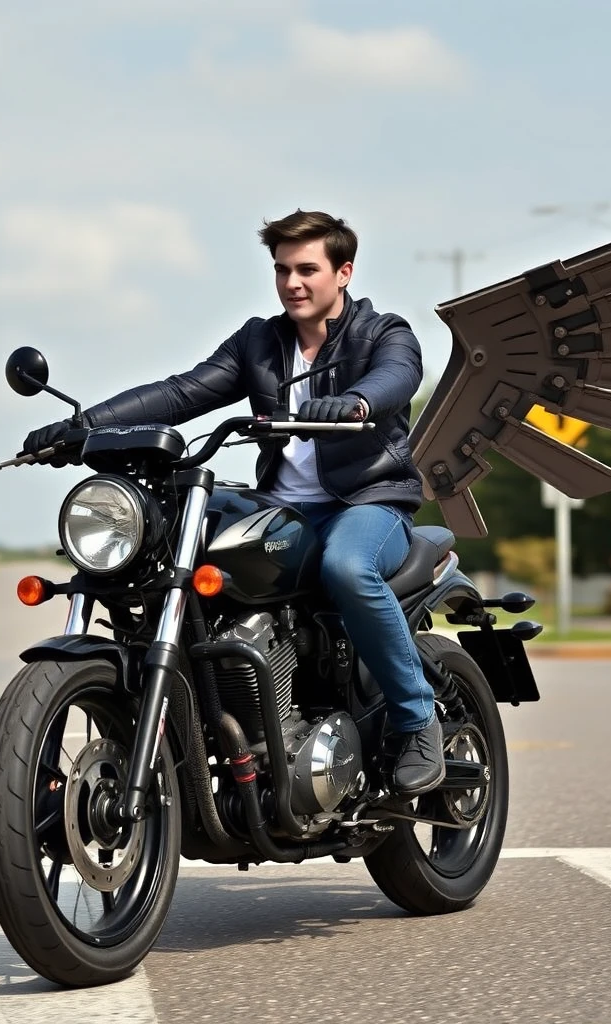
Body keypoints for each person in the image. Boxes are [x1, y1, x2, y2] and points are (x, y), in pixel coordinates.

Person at [22, 209, 444, 797]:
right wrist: (82, 427)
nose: (292, 283)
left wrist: (352, 403)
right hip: (281, 508)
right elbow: (180, 392)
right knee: (162, 546)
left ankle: (417, 719)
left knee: (346, 567)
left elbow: (397, 376)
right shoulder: (260, 343)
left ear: (343, 273)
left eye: (307, 269)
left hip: (369, 502)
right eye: (282, 270)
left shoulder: (383, 333)